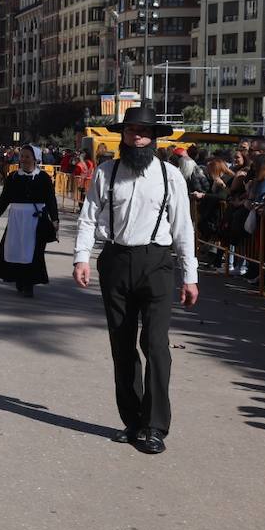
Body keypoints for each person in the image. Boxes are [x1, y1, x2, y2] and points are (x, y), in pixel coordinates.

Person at [73, 106, 198, 456]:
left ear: (154, 137)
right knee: (122, 345)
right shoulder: (106, 172)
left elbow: (183, 228)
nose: (137, 136)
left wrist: (190, 275)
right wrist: (81, 257)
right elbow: (88, 217)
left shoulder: (170, 176)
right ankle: (133, 421)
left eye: (144, 131)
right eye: (131, 131)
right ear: (123, 135)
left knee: (156, 344)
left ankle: (156, 425)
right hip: (115, 260)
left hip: (157, 262)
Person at [0, 146, 59, 297]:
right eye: (22, 156)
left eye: (27, 156)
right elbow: (4, 198)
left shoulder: (43, 178)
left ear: (35, 158)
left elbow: (51, 200)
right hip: (17, 219)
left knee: (34, 252)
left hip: (36, 220)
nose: (23, 159)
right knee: (16, 249)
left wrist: (55, 219)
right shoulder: (14, 177)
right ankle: (19, 279)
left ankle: (29, 283)